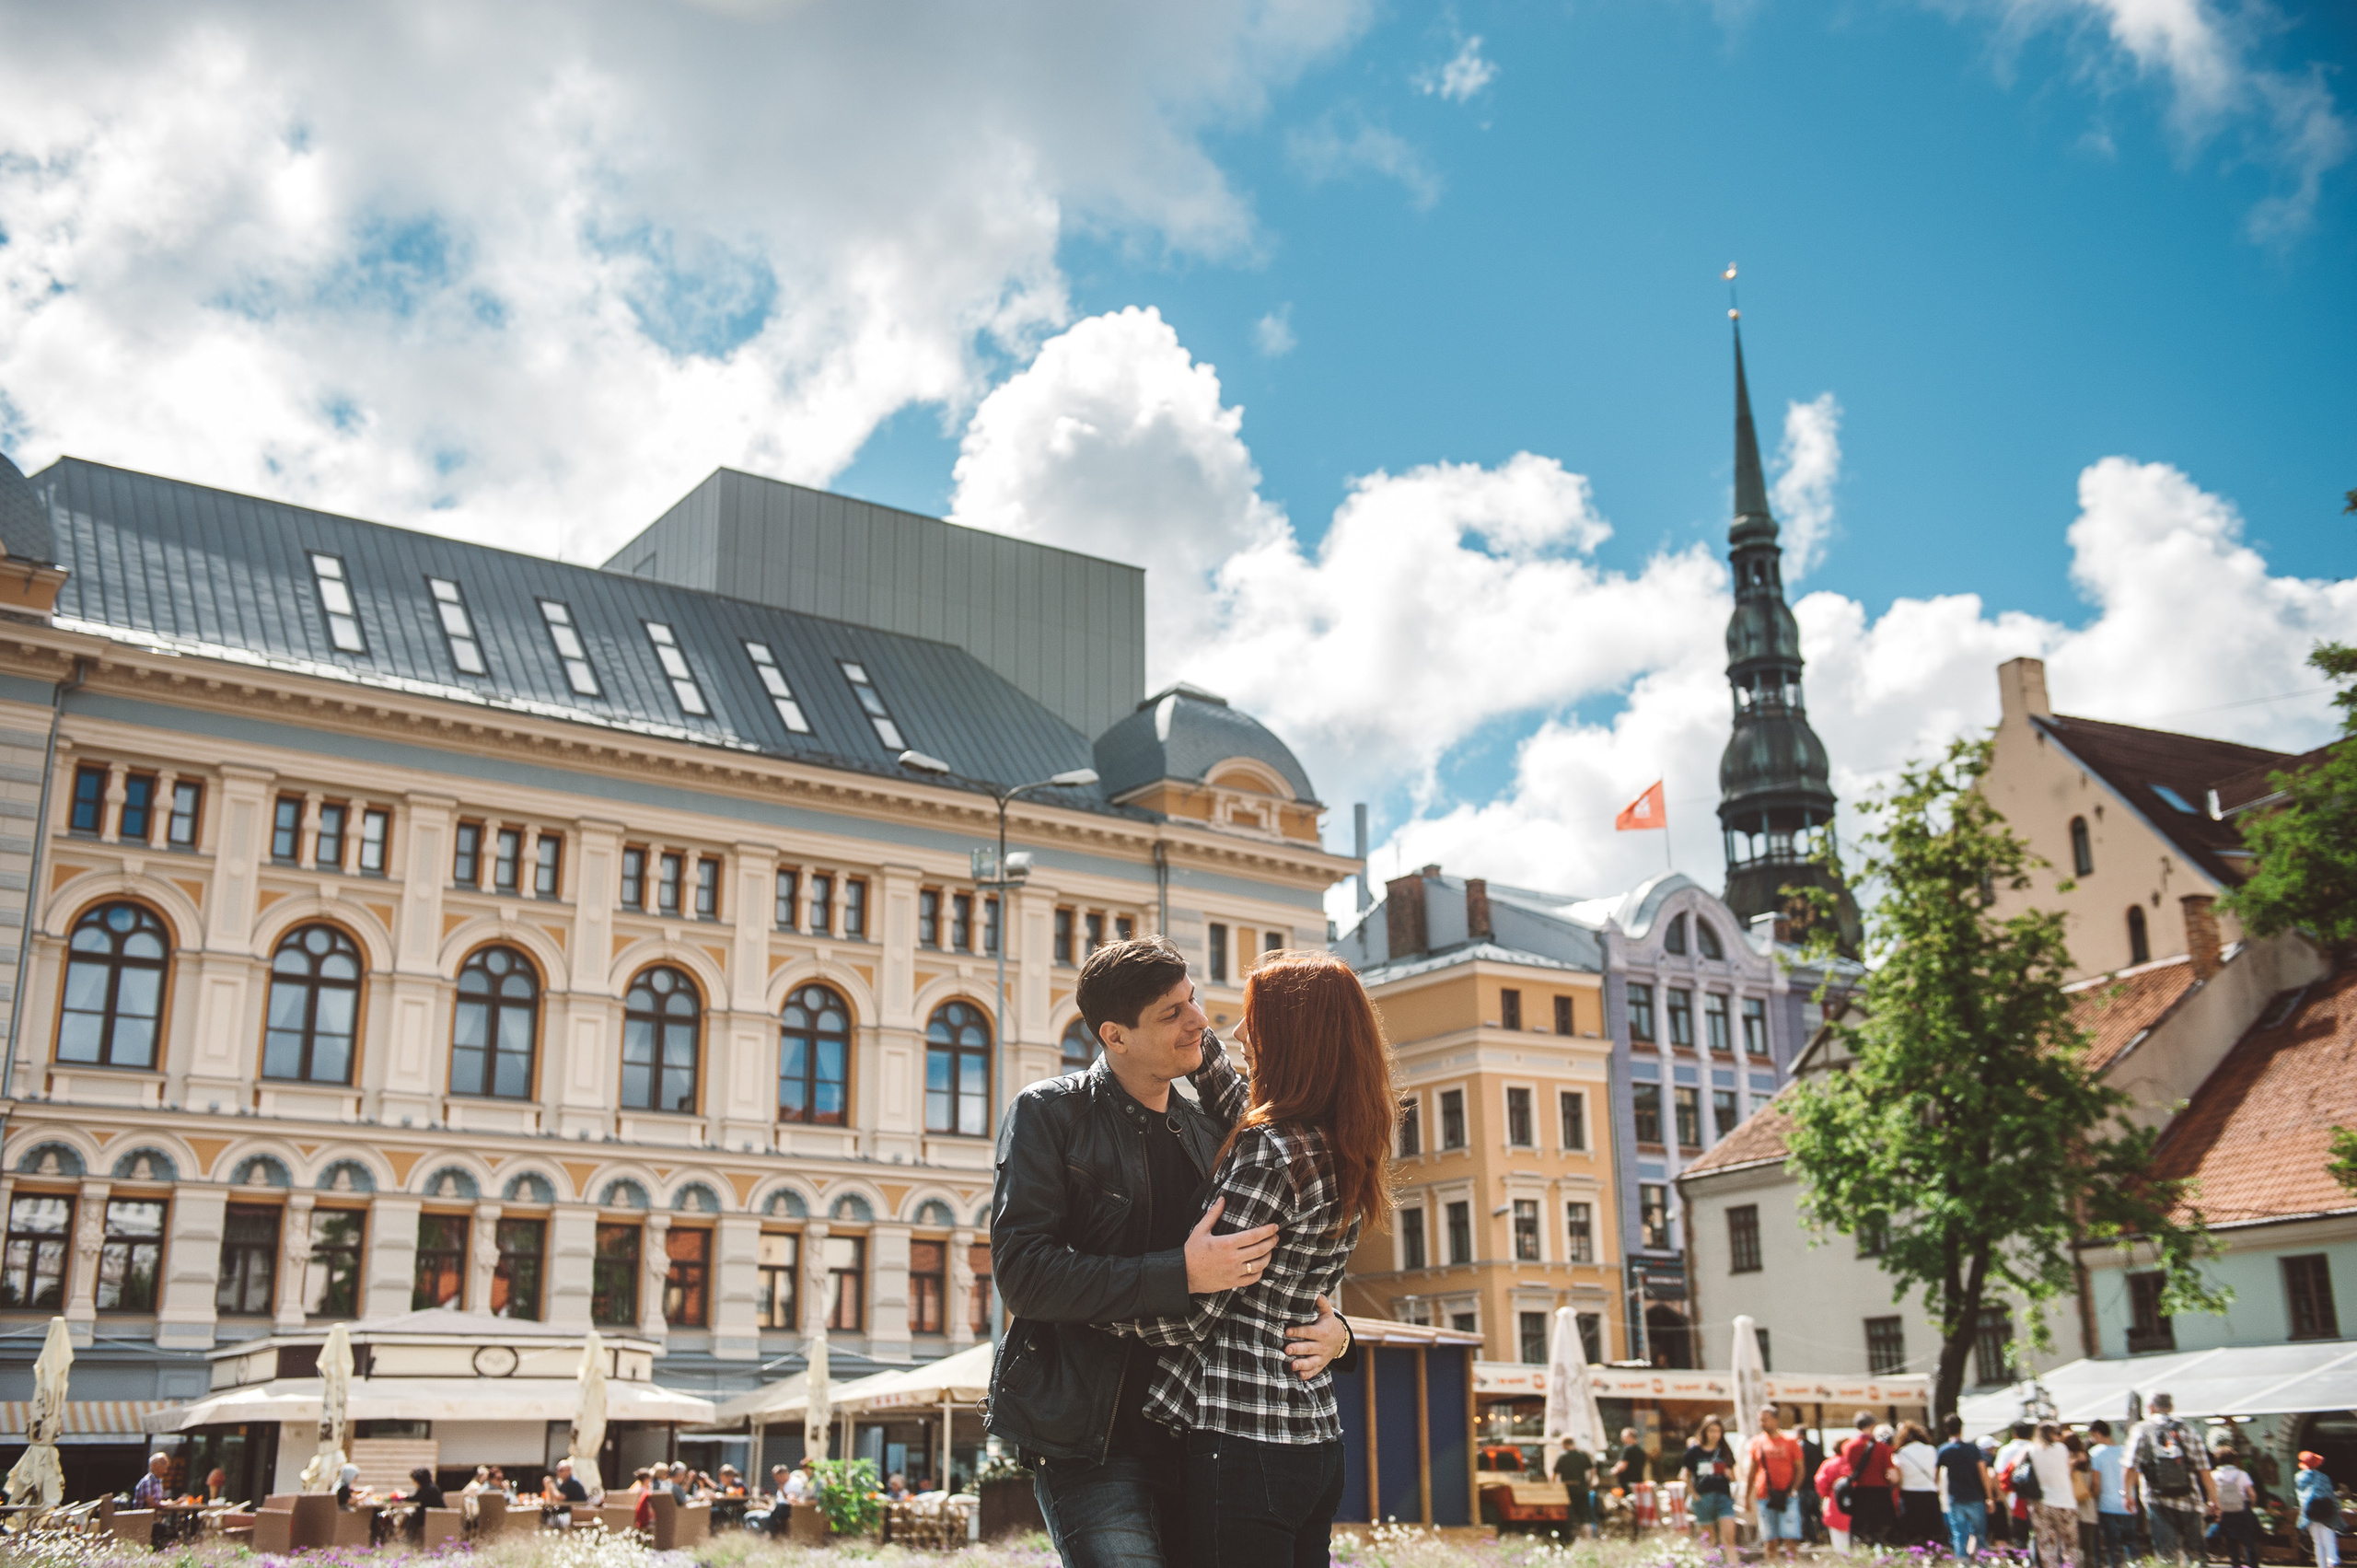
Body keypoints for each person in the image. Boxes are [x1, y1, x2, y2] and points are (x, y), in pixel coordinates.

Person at [989, 938, 1354, 1568]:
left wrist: (1342, 1331)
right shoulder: (1050, 1113)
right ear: (1116, 1035)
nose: (1199, 1022)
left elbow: (1287, 1260)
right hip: (1091, 1440)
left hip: (1200, 1434)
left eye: (1193, 1001)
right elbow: (1024, 1275)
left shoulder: (1216, 1131)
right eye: (1171, 1013)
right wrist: (1178, 1273)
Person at [1096, 949, 1394, 1568]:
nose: (1232, 1033)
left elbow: (1202, 1306)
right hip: (1312, 1433)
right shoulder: (1339, 1139)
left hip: (1244, 1437)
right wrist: (1193, 1049)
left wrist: (1094, 1301)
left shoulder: (1270, 1150)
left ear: (1294, 1037)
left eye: (1252, 1020)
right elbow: (1242, 1106)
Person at [2128, 1391, 2216, 1565]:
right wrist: (2214, 1499)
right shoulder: (2187, 1430)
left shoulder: (2142, 1430)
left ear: (2150, 1408)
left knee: (2168, 1557)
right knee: (2196, 1556)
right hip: (2190, 1499)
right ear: (2172, 1407)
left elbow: (2129, 1466)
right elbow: (2204, 1470)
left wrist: (2127, 1493)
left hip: (2157, 1499)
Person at [1745, 1407, 1805, 1562]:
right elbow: (1752, 1471)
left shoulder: (1790, 1441)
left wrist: (1794, 1489)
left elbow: (1800, 1468)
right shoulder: (1757, 1442)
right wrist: (1746, 1496)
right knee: (1769, 1539)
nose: (1761, 1423)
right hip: (1764, 1495)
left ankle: (1793, 1564)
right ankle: (1772, 1565)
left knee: (1790, 1538)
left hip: (1787, 1496)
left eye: (1765, 1419)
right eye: (1760, 1420)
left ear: (1775, 1419)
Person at [1934, 1412, 1992, 1559]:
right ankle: (1982, 1562)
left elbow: (1936, 1475)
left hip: (1955, 1497)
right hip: (1975, 1496)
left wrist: (1938, 1493)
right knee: (1980, 1534)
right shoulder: (1972, 1449)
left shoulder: (1943, 1450)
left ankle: (1963, 1563)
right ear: (1961, 1428)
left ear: (1946, 1429)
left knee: (1959, 1535)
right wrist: (1989, 1497)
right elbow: (1983, 1474)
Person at [2025, 1423, 2079, 1568]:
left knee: (2047, 1544)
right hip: (2065, 1501)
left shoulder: (2032, 1450)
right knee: (2070, 1543)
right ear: (2052, 1434)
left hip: (2041, 1502)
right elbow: (2067, 1469)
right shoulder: (2061, 1449)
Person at [1840, 1411, 1896, 1548]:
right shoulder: (1882, 1448)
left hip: (1859, 1493)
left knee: (1862, 1534)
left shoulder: (1848, 1446)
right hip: (1880, 1493)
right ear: (1873, 1425)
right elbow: (1892, 1475)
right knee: (1882, 1533)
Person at [1683, 1417, 1738, 1547]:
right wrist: (1694, 1494)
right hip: (1703, 1496)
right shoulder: (1694, 1452)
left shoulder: (1724, 1450)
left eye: (1718, 1431)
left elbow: (1734, 1477)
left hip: (1723, 1495)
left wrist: (1728, 1473)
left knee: (1729, 1538)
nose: (1715, 1434)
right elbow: (1685, 1474)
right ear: (1705, 1432)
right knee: (1709, 1539)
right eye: (1711, 1431)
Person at [2209, 1437, 2258, 1568]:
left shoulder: (2213, 1475)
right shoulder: (2242, 1474)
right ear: (2234, 1459)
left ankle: (2236, 1565)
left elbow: (2211, 1497)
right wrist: (2251, 1506)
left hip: (2224, 1512)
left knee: (2232, 1544)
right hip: (2242, 1511)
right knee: (2249, 1543)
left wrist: (2214, 1511)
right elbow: (2252, 1494)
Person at [1896, 1421, 1941, 1546]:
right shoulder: (1931, 1450)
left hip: (1909, 1496)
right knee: (1932, 1535)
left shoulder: (1900, 1453)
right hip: (1929, 1494)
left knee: (1913, 1536)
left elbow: (1898, 1477)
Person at [2295, 1451, 2340, 1568]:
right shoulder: (2324, 1478)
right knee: (2329, 1541)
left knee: (2317, 1543)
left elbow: (2302, 1498)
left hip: (2309, 1514)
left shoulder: (2298, 1478)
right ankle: (2332, 1564)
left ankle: (2322, 1566)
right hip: (2325, 1513)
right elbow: (2331, 1496)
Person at [1551, 1440, 1596, 1539]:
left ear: (1564, 1444)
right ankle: (1588, 1537)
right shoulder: (1582, 1455)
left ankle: (1570, 1537)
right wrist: (1590, 1482)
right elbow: (1592, 1469)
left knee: (1569, 1513)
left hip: (1567, 1489)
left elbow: (1554, 1474)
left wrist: (1554, 1487)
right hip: (1581, 1486)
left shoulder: (1562, 1457)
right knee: (1585, 1513)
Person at [2067, 1433, 2099, 1566]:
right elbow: (2095, 1483)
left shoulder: (2067, 1461)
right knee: (2088, 1549)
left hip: (2070, 1508)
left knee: (2073, 1548)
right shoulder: (2088, 1459)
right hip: (2088, 1507)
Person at [1816, 1446, 1854, 1554]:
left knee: (1840, 1547)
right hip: (1855, 1507)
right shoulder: (1855, 1462)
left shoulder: (1829, 1464)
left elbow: (1821, 1483)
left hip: (1835, 1506)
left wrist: (1826, 1495)